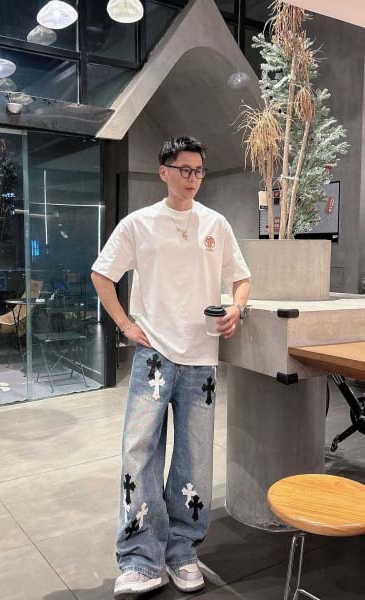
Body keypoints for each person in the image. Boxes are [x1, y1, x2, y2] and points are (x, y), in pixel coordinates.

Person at [91, 136, 251, 597]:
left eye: (198, 170)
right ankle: (140, 559)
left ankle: (183, 551)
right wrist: (125, 324)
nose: (192, 178)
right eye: (184, 169)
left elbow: (241, 278)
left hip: (202, 360)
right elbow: (102, 273)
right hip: (154, 356)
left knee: (194, 460)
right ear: (164, 171)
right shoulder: (139, 223)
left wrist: (236, 308)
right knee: (139, 453)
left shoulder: (215, 224)